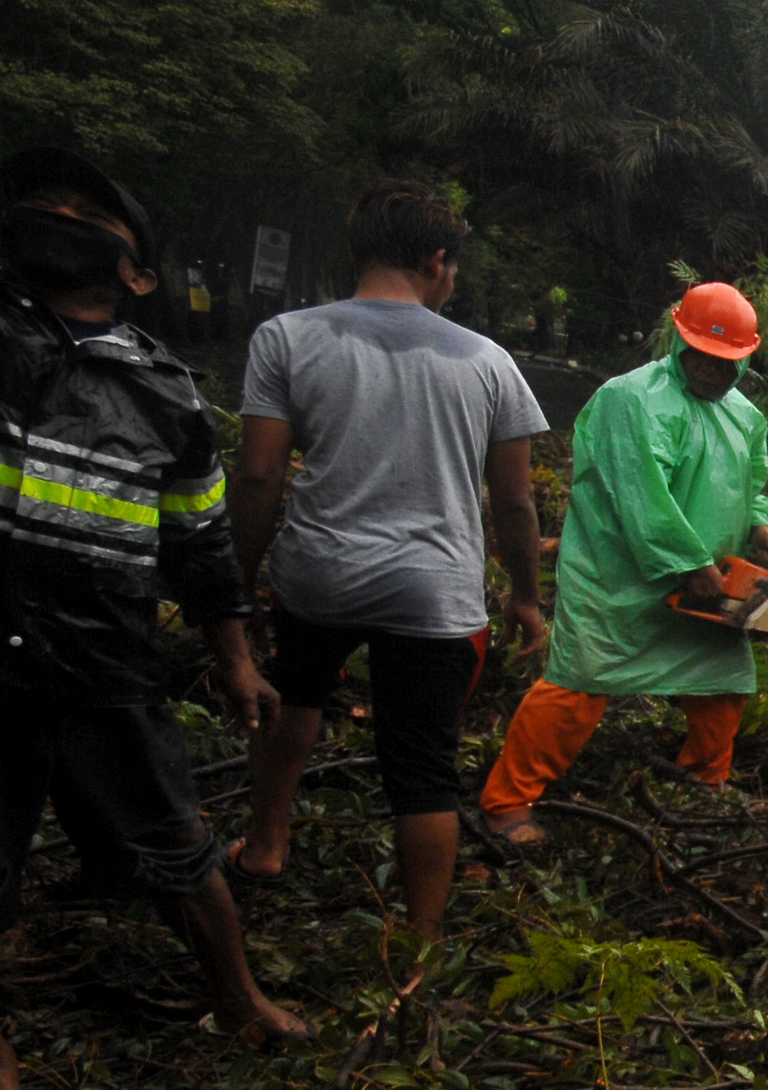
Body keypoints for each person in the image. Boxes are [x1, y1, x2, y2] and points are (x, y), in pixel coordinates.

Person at [0, 148, 307, 1090]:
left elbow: (202, 539)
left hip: (105, 659)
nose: (56, 211)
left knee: (178, 838)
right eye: (43, 202)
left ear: (137, 270)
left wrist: (233, 654)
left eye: (86, 209)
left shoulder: (164, 391)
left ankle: (240, 1000)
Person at [227, 181, 551, 943]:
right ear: (438, 261)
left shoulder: (287, 338)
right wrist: (526, 596)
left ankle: (266, 847)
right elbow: (514, 504)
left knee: (295, 698)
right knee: (423, 770)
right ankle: (421, 942)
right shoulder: (488, 361)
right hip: (435, 596)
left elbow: (259, 476)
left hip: (316, 577)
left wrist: (235, 579)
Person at [478, 282, 768, 848]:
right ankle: (506, 802)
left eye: (727, 362)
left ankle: (701, 786)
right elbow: (641, 496)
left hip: (707, 579)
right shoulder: (632, 399)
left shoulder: (745, 416)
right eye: (703, 356)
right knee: (579, 683)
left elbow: (752, 483)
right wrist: (688, 562)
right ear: (677, 338)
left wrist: (760, 524)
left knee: (723, 682)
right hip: (618, 576)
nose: (714, 371)